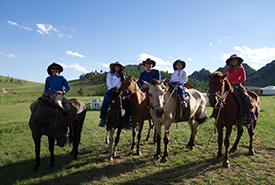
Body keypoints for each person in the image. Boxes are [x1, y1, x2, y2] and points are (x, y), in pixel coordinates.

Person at [99, 61, 131, 128]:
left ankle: (127, 119)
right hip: (111, 91)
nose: (117, 67)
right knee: (105, 101)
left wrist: (120, 89)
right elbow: (109, 83)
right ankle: (103, 119)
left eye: (119, 66)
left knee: (128, 102)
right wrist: (113, 88)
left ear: (120, 68)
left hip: (119, 92)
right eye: (116, 66)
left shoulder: (122, 76)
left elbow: (123, 85)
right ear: (114, 67)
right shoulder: (110, 75)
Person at [225, 54, 257, 120]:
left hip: (237, 85)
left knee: (244, 95)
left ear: (238, 61)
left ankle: (251, 110)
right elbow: (225, 77)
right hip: (228, 85)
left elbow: (243, 78)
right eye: (232, 60)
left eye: (235, 60)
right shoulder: (228, 69)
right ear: (230, 62)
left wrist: (235, 82)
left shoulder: (241, 68)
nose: (234, 61)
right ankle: (215, 111)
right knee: (220, 94)